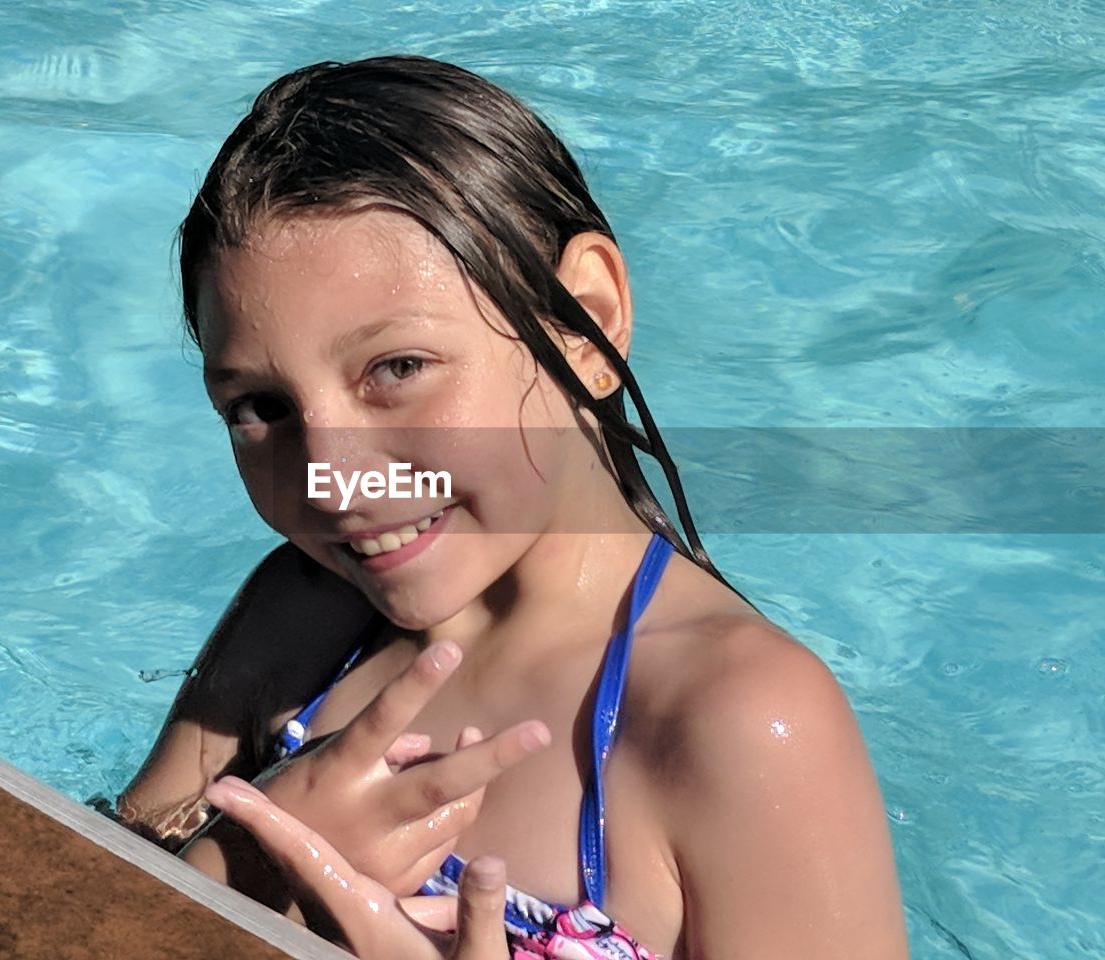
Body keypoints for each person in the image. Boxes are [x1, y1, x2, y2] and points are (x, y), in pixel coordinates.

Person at [115, 55, 909, 959]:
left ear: (586, 324)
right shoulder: (301, 621)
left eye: (398, 370)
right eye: (261, 407)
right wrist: (250, 866)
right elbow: (59, 895)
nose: (333, 478)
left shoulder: (733, 721)